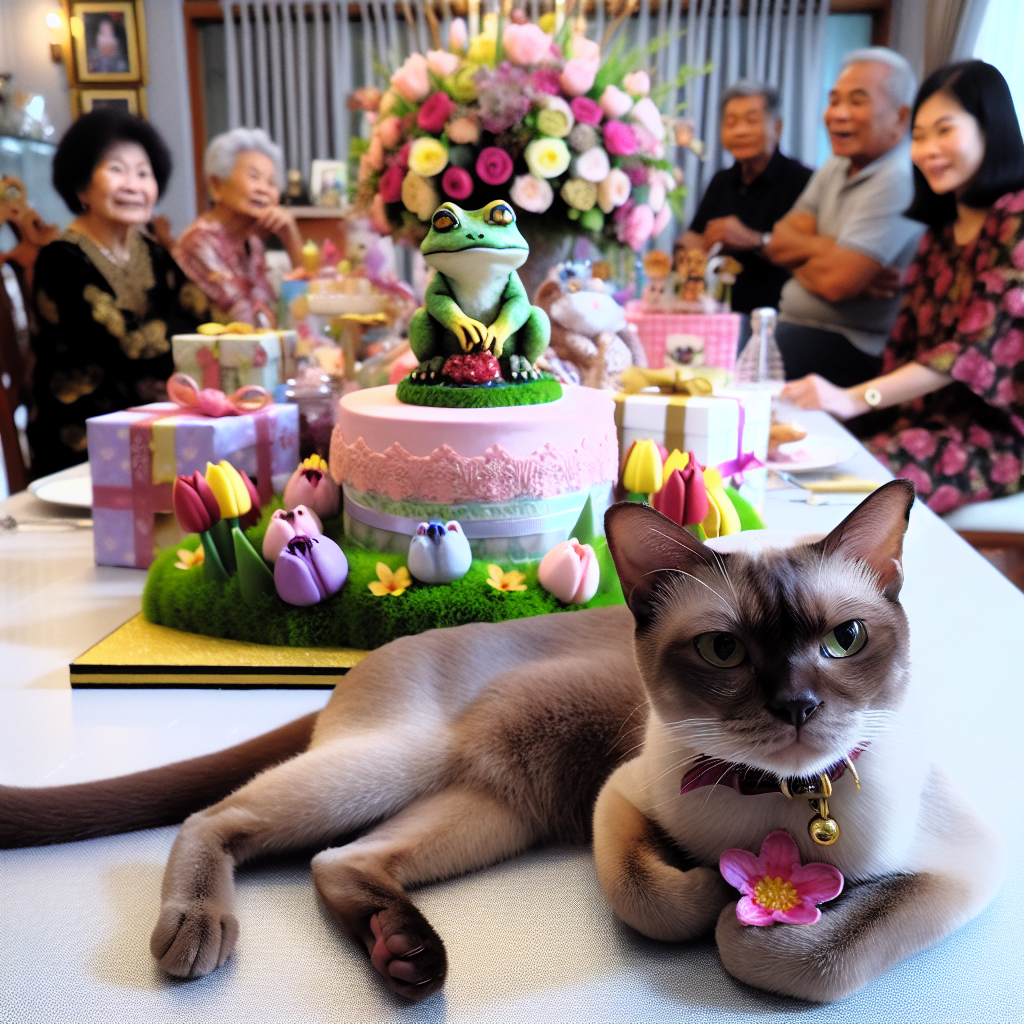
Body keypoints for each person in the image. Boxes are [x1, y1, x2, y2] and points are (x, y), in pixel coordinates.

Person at [782, 61, 1024, 513]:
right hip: (922, 421)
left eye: (944, 130)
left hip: (1002, 438)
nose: (928, 149)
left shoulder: (1017, 219)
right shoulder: (939, 233)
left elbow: (972, 348)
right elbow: (908, 343)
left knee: (854, 492)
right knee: (801, 464)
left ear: (990, 129)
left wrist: (855, 398)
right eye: (920, 135)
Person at [29, 110, 207, 477]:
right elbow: (124, 348)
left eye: (144, 173)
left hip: (156, 425)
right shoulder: (60, 260)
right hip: (86, 440)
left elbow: (205, 318)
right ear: (81, 185)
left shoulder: (152, 251)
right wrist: (181, 334)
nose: (133, 185)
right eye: (116, 170)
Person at [764, 48, 926, 386]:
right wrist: (836, 250)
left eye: (856, 101)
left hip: (851, 346)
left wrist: (807, 254)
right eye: (833, 100)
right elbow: (778, 243)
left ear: (900, 116)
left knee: (726, 361)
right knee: (706, 342)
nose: (837, 114)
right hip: (795, 326)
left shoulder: (899, 178)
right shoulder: (837, 163)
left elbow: (836, 284)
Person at [679, 81, 812, 317]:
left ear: (777, 127)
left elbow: (807, 253)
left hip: (776, 316)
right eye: (731, 122)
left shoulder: (803, 181)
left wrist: (754, 239)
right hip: (717, 313)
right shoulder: (721, 180)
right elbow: (694, 236)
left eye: (751, 120)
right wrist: (689, 246)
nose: (740, 131)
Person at [175, 129, 304, 327]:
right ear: (216, 185)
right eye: (254, 177)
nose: (263, 189)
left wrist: (290, 237)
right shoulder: (199, 242)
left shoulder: (252, 243)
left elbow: (302, 310)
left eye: (271, 182)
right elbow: (247, 322)